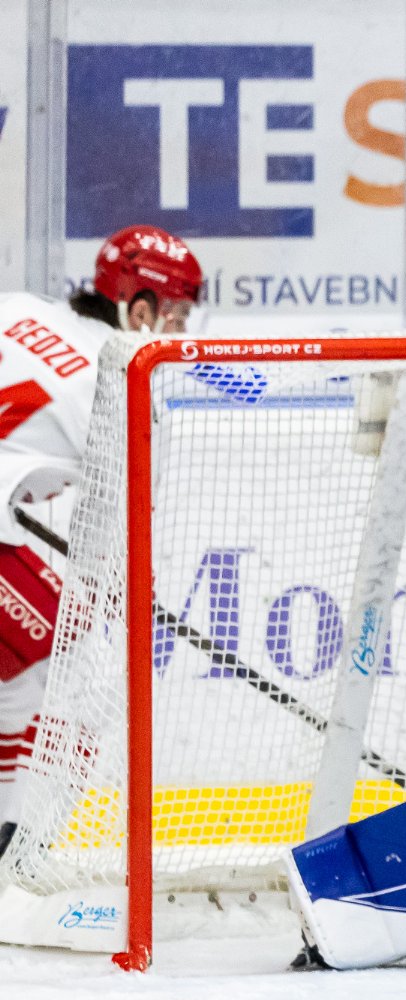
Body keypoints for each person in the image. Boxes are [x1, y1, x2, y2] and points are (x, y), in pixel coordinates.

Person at [0, 226, 202, 828]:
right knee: (62, 669)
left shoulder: (19, 308)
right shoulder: (123, 386)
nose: (180, 333)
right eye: (175, 316)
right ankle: (20, 845)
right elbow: (117, 548)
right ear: (139, 311)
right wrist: (129, 590)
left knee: (25, 666)